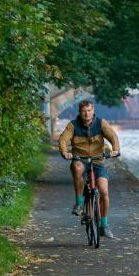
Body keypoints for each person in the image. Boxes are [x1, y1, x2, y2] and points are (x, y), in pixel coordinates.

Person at [59, 100, 121, 238]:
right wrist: (65, 152)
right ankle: (79, 203)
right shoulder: (73, 125)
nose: (86, 113)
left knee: (104, 191)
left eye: (89, 110)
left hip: (98, 160)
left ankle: (104, 225)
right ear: (80, 113)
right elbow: (63, 139)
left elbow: (112, 136)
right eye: (83, 111)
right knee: (77, 167)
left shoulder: (101, 123)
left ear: (93, 111)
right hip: (80, 159)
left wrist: (115, 150)